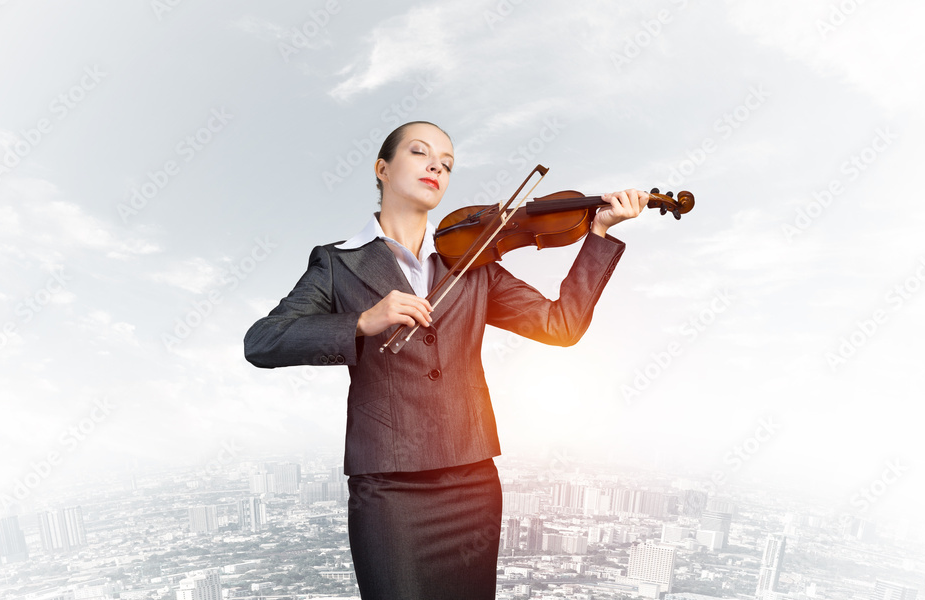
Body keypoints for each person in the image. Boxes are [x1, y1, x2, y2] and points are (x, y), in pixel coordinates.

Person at [243, 121, 648, 599]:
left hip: (472, 483)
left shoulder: (474, 261)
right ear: (382, 168)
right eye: (420, 152)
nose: (437, 164)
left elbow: (560, 326)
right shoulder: (337, 263)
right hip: (390, 491)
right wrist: (361, 321)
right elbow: (262, 341)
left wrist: (597, 233)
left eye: (448, 163)